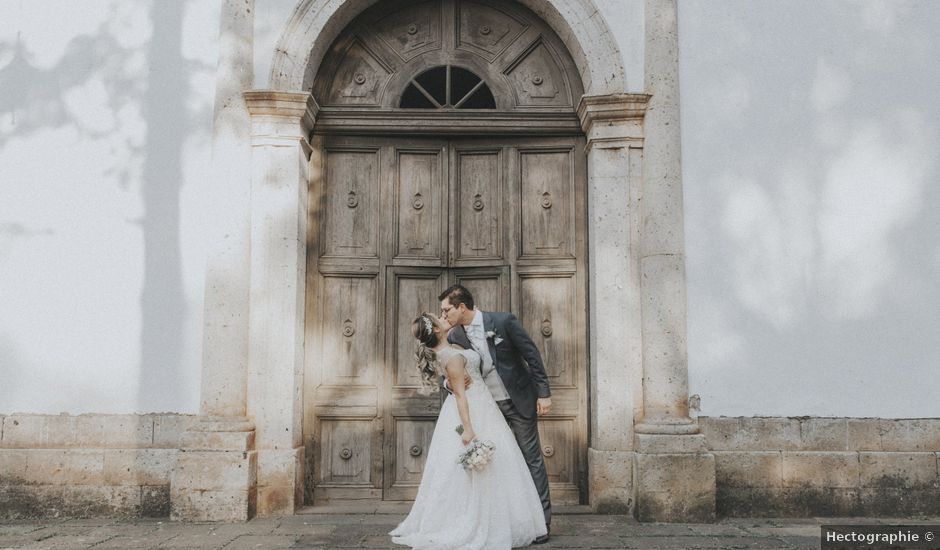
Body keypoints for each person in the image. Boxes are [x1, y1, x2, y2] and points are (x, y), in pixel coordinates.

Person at [390, 313, 547, 549]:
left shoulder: (453, 343)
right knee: (481, 469)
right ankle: (481, 521)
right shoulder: (450, 355)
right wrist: (469, 429)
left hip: (486, 405)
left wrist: (449, 381)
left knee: (502, 464)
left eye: (445, 312)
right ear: (436, 328)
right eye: (439, 316)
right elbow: (461, 396)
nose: (444, 317)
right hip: (471, 411)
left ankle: (512, 520)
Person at [438, 284, 553, 542]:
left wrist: (544, 393)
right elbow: (446, 370)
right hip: (488, 408)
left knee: (531, 459)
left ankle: (542, 523)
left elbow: (531, 354)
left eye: (447, 310)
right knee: (500, 465)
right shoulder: (455, 336)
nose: (444, 315)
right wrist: (448, 384)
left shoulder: (503, 321)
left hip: (519, 401)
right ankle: (506, 521)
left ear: (462, 307)